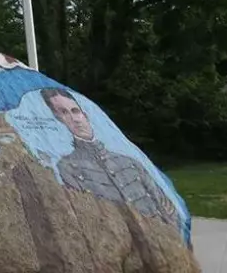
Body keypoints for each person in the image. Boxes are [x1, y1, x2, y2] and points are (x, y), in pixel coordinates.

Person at [41, 88, 178, 229]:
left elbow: (166, 206)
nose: (74, 119)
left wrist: (170, 238)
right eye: (64, 113)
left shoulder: (129, 162)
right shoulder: (67, 167)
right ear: (58, 120)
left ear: (85, 115)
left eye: (75, 111)